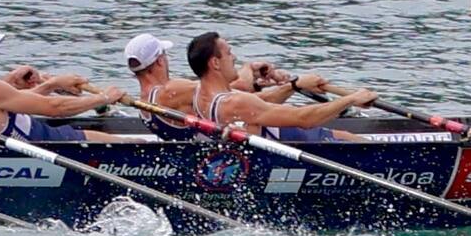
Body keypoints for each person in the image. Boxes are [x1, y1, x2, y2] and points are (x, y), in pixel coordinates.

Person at [125, 33, 353, 141]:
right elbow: (228, 88)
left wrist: (256, 77)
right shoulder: (170, 91)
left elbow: (229, 88)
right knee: (344, 137)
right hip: (234, 141)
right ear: (159, 61)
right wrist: (293, 84)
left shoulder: (144, 101)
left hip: (210, 144)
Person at [0, 20, 127, 143]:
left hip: (38, 138)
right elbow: (56, 108)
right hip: (54, 143)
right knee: (133, 144)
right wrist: (104, 98)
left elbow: (10, 100)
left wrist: (51, 85)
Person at [187, 32, 374, 142]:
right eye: (229, 53)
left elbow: (263, 101)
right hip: (307, 147)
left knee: (344, 134)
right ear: (215, 63)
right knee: (351, 139)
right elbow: (304, 119)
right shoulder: (235, 102)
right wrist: (351, 99)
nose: (234, 57)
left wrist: (294, 85)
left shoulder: (200, 95)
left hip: (296, 138)